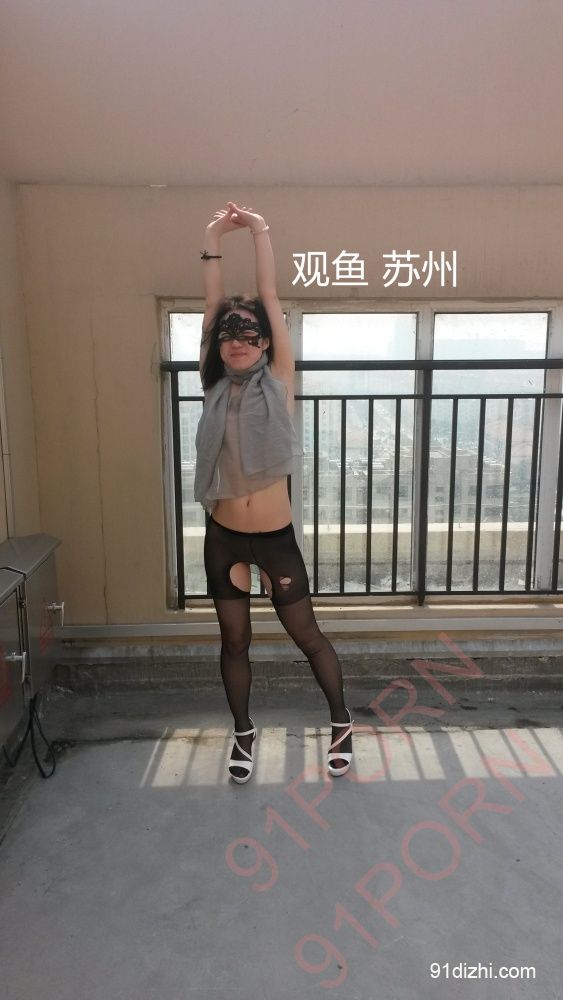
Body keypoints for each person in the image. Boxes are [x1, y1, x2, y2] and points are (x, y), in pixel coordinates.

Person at [194, 200, 354, 784]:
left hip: (274, 538)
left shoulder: (280, 379)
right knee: (234, 642)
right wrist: (213, 238)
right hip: (224, 537)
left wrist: (259, 230)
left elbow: (269, 293)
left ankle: (341, 721)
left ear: (265, 341)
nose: (236, 341)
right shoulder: (213, 383)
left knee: (306, 636)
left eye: (248, 333)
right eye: (228, 334)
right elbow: (213, 305)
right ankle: (243, 732)